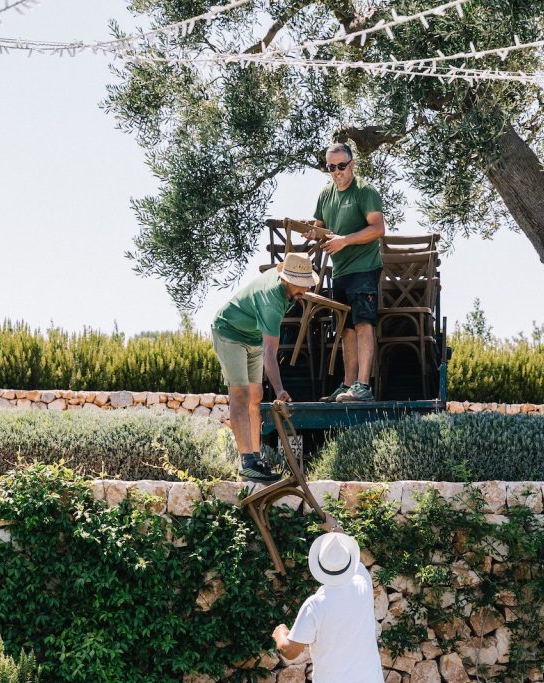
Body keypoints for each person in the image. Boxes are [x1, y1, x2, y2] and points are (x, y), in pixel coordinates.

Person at [212, 252, 319, 482]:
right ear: (286, 280)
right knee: (240, 394)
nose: (305, 290)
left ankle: (256, 458)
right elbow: (271, 353)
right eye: (301, 285)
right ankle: (247, 461)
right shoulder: (272, 300)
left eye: (306, 284)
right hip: (229, 332)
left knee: (256, 396)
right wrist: (280, 390)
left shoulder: (289, 291)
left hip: (251, 337)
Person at [307, 142, 385, 403]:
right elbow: (320, 229)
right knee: (345, 330)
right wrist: (310, 231)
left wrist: (344, 240)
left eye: (342, 165)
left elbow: (377, 229)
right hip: (339, 271)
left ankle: (363, 386)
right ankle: (348, 385)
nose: (337, 171)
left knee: (363, 324)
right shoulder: (324, 195)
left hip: (364, 268)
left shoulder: (365, 192)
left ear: (352, 164)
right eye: (331, 167)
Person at [271, 532, 383, 683]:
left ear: (319, 565)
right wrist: (335, 527)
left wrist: (280, 633)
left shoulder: (316, 605)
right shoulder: (362, 581)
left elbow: (289, 651)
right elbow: (353, 558)